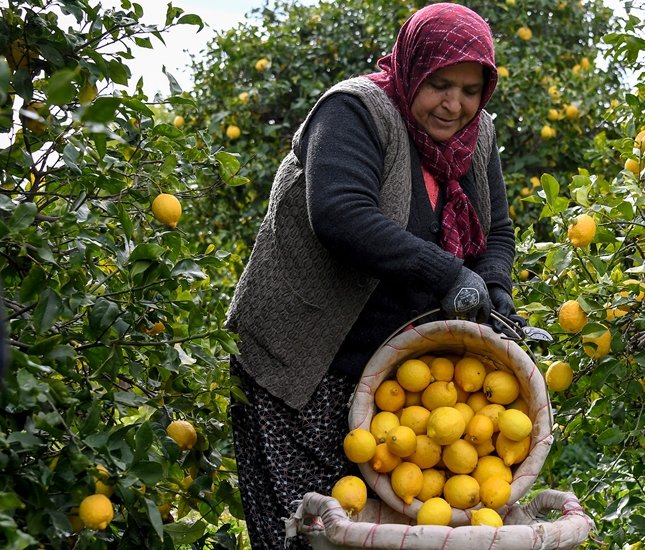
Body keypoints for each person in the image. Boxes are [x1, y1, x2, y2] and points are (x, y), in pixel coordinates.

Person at [224, 3, 523, 547]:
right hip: (303, 366)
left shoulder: (476, 137)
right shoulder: (355, 110)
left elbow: (496, 229)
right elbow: (341, 214)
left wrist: (494, 288)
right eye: (439, 84)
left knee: (393, 528)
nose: (454, 104)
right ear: (413, 67)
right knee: (308, 534)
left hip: (400, 385)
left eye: (471, 90)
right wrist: (450, 274)